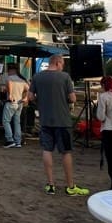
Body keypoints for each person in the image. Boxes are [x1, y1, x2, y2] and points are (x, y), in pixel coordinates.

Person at [27, 54, 89, 196]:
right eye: (62, 64)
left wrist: (40, 102)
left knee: (47, 150)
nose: (63, 67)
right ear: (58, 62)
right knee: (66, 152)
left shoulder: (37, 77)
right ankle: (70, 186)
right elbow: (72, 98)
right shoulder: (65, 77)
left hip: (45, 120)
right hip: (62, 120)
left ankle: (50, 184)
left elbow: (30, 97)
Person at [3, 63, 29, 148]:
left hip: (11, 102)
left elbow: (10, 84)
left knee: (6, 121)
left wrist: (9, 94)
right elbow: (29, 89)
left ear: (11, 70)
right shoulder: (22, 80)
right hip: (20, 103)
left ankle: (10, 140)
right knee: (17, 122)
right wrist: (25, 98)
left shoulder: (9, 78)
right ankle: (18, 142)